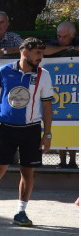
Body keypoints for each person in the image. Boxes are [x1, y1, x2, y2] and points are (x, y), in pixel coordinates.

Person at [0, 38, 54, 227]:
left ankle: (21, 212)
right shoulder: (4, 70)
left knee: (28, 172)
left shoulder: (44, 75)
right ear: (25, 53)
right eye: (38, 53)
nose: (41, 57)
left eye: (42, 53)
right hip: (7, 129)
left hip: (32, 129)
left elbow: (47, 106)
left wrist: (47, 134)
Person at [45, 22, 78, 169]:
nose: (61, 39)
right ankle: (62, 161)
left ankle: (73, 161)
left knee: (73, 124)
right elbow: (44, 50)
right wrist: (63, 48)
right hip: (58, 90)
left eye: (65, 37)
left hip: (74, 90)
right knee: (57, 124)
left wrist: (73, 48)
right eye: (59, 36)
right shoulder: (55, 43)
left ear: (73, 35)